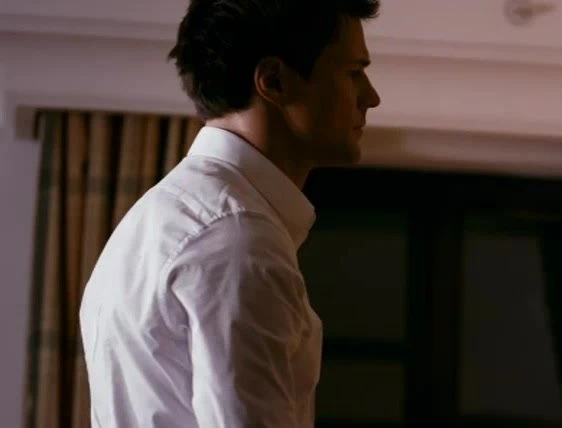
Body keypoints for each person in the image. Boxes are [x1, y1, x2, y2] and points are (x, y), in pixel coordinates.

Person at [78, 0, 381, 426]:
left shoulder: (160, 217)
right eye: (353, 73)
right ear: (274, 81)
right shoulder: (236, 238)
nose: (371, 97)